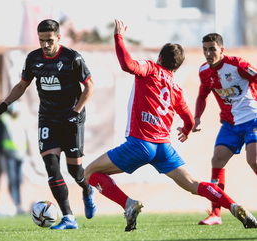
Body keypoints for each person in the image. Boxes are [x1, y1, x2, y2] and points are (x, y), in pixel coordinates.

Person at [84, 19, 257, 232]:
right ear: (177, 66)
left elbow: (127, 65)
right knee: (194, 184)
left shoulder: (149, 68)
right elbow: (189, 119)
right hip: (164, 149)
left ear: (159, 58)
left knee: (90, 172)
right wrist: (185, 131)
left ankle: (128, 204)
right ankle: (233, 205)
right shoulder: (175, 87)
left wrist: (118, 37)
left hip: (140, 144)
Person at [0, 19, 96, 230]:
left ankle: (87, 189)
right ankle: (68, 217)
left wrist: (75, 112)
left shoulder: (72, 58)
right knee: (52, 167)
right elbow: (23, 85)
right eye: (41, 41)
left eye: (49, 41)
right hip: (48, 118)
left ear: (58, 38)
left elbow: (89, 87)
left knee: (76, 172)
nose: (45, 45)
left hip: (71, 119)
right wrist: (5, 104)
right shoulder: (33, 59)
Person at [193, 33, 257, 225]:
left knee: (253, 161)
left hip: (253, 119)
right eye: (205, 49)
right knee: (217, 159)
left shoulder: (238, 64)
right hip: (230, 124)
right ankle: (215, 214)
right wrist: (196, 118)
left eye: (212, 49)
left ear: (221, 50)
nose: (208, 53)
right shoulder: (204, 71)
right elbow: (202, 95)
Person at [0, 101, 28, 215]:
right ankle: (15, 204)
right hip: (8, 154)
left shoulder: (19, 120)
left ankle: (19, 204)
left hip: (20, 154)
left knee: (18, 180)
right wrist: (0, 150)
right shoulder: (3, 119)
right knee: (12, 180)